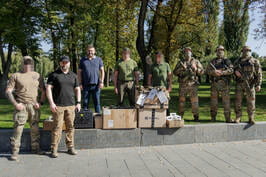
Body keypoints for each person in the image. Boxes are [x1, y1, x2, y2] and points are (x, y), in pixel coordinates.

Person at [6, 56, 46, 161]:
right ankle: (14, 152)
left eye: (29, 62)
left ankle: (36, 149)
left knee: (35, 128)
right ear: (22, 63)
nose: (27, 64)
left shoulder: (37, 75)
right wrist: (15, 104)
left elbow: (44, 90)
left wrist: (40, 103)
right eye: (25, 62)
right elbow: (8, 91)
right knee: (18, 130)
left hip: (34, 107)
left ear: (32, 63)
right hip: (21, 107)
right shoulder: (16, 75)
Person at [46, 56, 81, 158]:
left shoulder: (73, 75)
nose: (64, 64)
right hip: (58, 106)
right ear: (60, 63)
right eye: (63, 62)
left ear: (69, 63)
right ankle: (54, 149)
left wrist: (78, 102)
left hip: (71, 105)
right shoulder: (54, 75)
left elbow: (77, 89)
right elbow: (48, 89)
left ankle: (70, 147)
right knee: (57, 127)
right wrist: (51, 103)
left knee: (70, 127)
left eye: (66, 62)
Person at [173, 47, 204, 121]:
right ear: (184, 53)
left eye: (189, 51)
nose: (187, 53)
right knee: (181, 102)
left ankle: (196, 116)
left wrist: (196, 69)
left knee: (194, 102)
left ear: (191, 52)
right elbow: (175, 72)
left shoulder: (196, 61)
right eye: (186, 52)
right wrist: (181, 69)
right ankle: (180, 116)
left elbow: (202, 71)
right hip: (183, 84)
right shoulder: (181, 62)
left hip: (193, 84)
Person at [234, 46, 262, 124]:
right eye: (244, 50)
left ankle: (251, 117)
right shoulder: (237, 61)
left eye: (247, 50)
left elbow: (259, 74)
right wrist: (235, 73)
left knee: (251, 102)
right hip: (240, 84)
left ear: (250, 51)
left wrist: (258, 84)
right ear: (242, 51)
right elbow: (232, 71)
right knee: (238, 101)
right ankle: (238, 117)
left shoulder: (255, 61)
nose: (245, 52)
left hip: (250, 84)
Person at [206, 45, 234, 122]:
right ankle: (213, 117)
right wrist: (214, 72)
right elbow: (207, 71)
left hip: (225, 85)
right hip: (215, 84)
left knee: (226, 103)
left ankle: (228, 118)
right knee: (213, 103)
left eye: (222, 50)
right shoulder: (212, 61)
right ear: (216, 52)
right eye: (218, 50)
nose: (220, 51)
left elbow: (231, 70)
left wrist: (222, 72)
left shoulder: (227, 61)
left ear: (223, 51)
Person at [78, 45, 104, 113]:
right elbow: (79, 73)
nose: (90, 52)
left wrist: (101, 82)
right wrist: (80, 83)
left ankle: (98, 120)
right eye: (89, 51)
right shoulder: (82, 60)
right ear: (87, 51)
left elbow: (102, 71)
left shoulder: (99, 59)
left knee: (97, 103)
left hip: (96, 85)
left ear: (94, 51)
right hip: (85, 85)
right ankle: (84, 120)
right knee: (85, 104)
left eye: (92, 51)